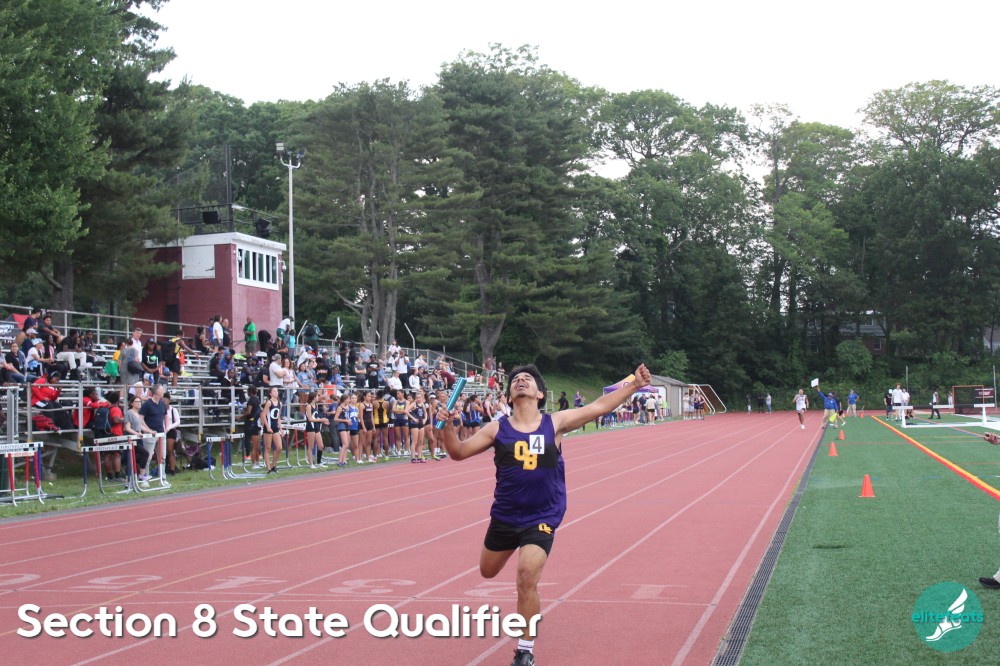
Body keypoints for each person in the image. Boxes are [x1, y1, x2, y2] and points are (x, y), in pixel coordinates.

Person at [438, 363, 651, 666]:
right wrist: (448, 427)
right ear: (509, 396)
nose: (521, 380)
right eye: (516, 379)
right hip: (505, 516)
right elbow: (458, 452)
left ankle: (525, 650)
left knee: (526, 576)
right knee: (487, 571)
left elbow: (598, 407)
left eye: (528, 379)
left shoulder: (555, 423)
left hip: (542, 515)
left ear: (540, 394)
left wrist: (634, 385)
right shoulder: (497, 428)